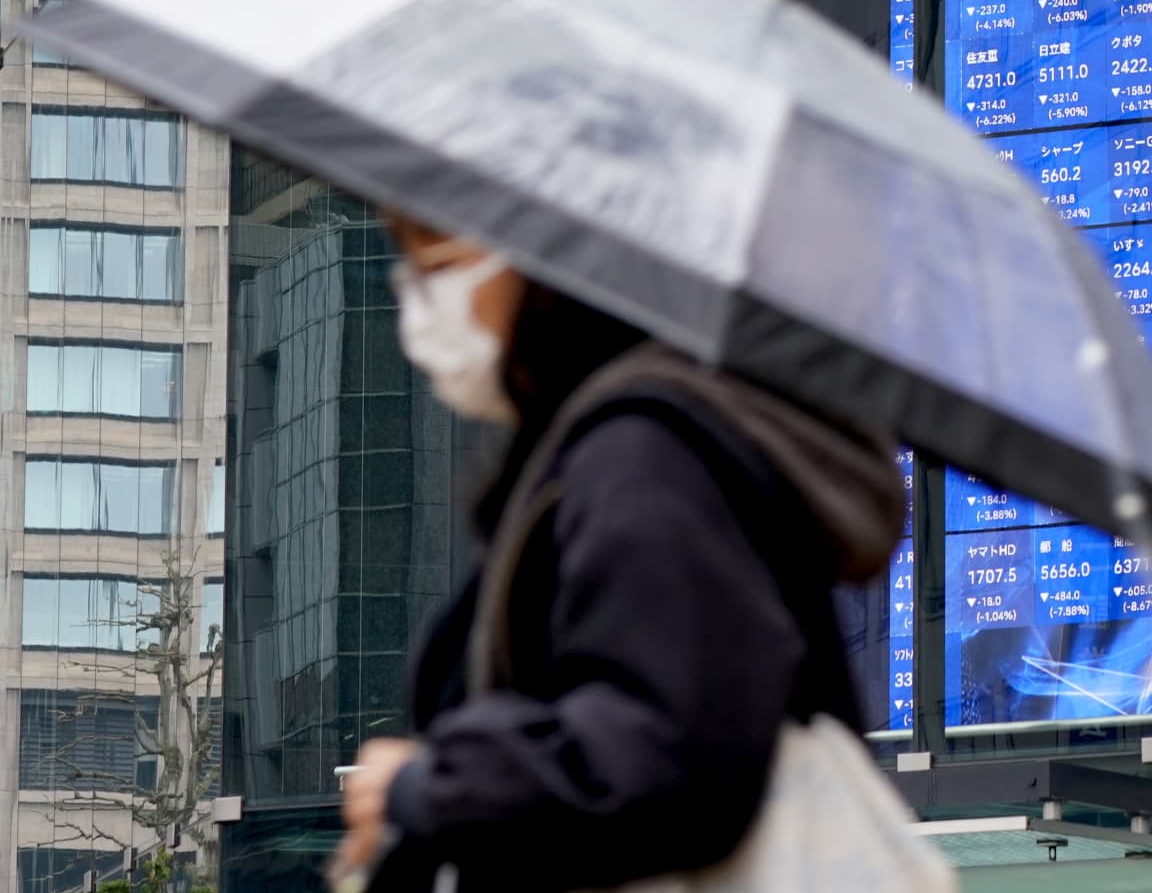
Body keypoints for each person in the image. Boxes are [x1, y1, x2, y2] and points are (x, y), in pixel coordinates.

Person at [331, 215, 906, 893]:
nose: (417, 294)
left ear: (551, 255)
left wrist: (428, 786)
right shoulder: (609, 452)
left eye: (438, 258)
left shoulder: (645, 457)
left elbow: (661, 757)